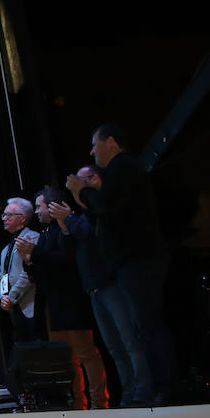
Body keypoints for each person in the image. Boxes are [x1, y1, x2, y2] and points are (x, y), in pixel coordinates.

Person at [66, 123, 178, 403]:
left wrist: (83, 192)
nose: (93, 151)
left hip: (138, 259)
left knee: (145, 326)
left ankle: (163, 387)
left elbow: (106, 203)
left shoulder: (123, 168)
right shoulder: (122, 172)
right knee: (140, 328)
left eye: (95, 144)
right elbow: (102, 212)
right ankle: (153, 387)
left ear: (111, 142)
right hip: (129, 262)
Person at [65, 165, 151, 405]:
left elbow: (89, 232)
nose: (76, 189)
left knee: (129, 340)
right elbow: (74, 244)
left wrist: (68, 219)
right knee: (114, 346)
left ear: (94, 179)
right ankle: (130, 391)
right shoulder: (84, 213)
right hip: (94, 288)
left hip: (111, 284)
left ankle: (143, 389)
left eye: (81, 183)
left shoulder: (100, 210)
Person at [18, 187, 109, 408]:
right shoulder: (47, 233)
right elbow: (43, 269)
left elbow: (68, 259)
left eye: (39, 207)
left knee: (86, 353)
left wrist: (36, 253)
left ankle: (99, 402)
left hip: (72, 300)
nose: (37, 212)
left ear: (52, 206)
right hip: (54, 304)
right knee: (68, 359)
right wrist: (29, 260)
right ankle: (78, 403)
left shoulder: (66, 227)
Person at [0, 198, 40, 343]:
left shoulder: (32, 238)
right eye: (3, 215)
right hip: (14, 309)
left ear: (22, 218)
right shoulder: (5, 250)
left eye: (9, 215)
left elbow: (30, 272)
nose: (4, 218)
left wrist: (12, 296)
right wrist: (2, 297)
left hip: (31, 305)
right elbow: (2, 276)